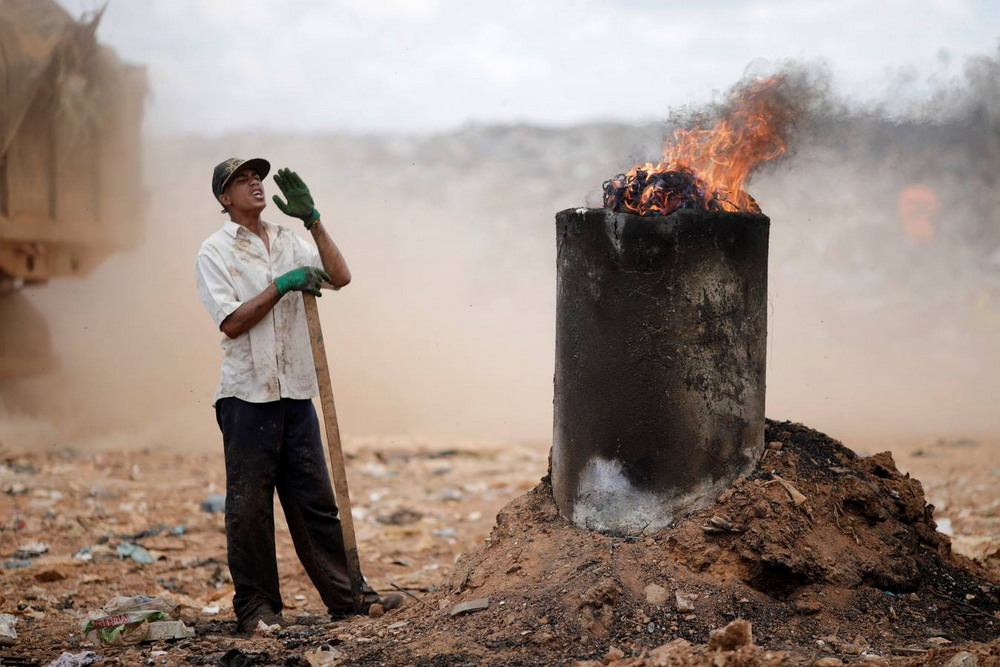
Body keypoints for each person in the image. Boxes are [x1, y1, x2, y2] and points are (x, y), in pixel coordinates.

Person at [195, 157, 401, 634]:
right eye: (242, 181)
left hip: (297, 392)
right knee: (249, 508)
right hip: (247, 395)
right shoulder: (215, 252)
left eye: (257, 178)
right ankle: (257, 608)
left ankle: (349, 598)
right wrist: (282, 285)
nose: (255, 184)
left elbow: (340, 275)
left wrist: (314, 220)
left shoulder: (290, 240)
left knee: (315, 503)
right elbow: (231, 321)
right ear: (224, 199)